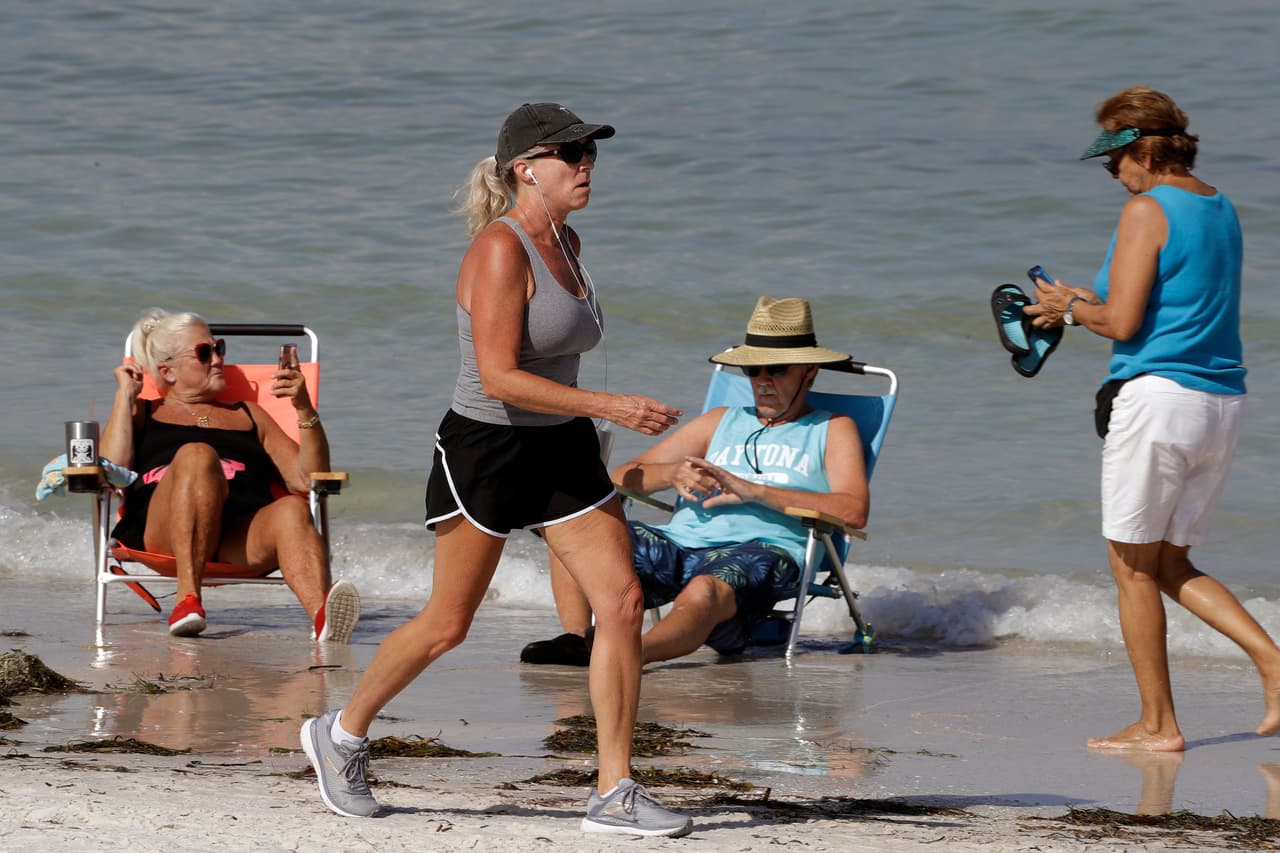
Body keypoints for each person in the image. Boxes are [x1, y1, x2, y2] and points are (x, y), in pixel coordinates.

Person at [299, 103, 692, 838]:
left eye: (590, 152)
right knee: (448, 623)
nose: (586, 163)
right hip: (488, 447)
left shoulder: (568, 242)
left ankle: (615, 790)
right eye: (570, 152)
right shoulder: (499, 251)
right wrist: (612, 405)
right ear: (525, 169)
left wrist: (591, 417)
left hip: (562, 445)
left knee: (622, 601)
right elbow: (500, 376)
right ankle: (341, 732)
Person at [1024, 86, 1280, 751]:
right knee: (1169, 563)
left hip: (1159, 402)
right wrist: (1076, 299)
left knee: (1131, 568)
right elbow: (1168, 305)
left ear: (1141, 149)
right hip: (1220, 402)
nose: (1113, 174)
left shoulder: (1147, 208)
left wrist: (1070, 311)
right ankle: (1274, 661)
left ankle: (1158, 724)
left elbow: (1122, 323)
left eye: (1115, 160)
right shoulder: (1218, 204)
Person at [521, 296, 869, 667]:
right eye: (754, 370)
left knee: (705, 588)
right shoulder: (721, 421)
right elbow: (622, 477)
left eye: (778, 369)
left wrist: (753, 491)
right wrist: (671, 474)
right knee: (574, 528)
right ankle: (578, 639)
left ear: (810, 371)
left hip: (765, 550)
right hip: (680, 544)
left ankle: (628, 655)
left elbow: (853, 511)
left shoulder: (832, 429)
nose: (763, 381)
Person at [100, 308, 360, 642]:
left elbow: (308, 479)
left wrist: (303, 407)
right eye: (204, 353)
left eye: (219, 348)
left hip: (237, 538)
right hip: (165, 536)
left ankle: (324, 620)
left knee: (293, 509)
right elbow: (110, 468)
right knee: (197, 455)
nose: (218, 359)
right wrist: (124, 396)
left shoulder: (250, 414)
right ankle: (187, 599)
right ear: (167, 371)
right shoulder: (144, 412)